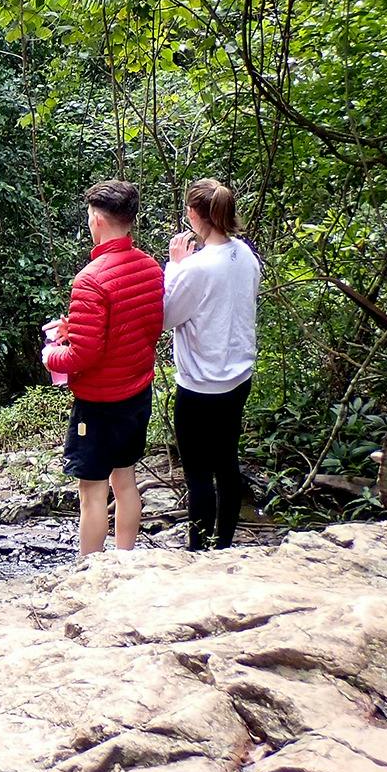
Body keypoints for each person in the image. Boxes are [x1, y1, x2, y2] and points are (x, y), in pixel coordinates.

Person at [44, 180, 165, 556]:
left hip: (98, 404)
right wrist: (76, 327)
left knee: (92, 492)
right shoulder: (149, 267)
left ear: (96, 219)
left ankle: (89, 573)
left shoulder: (90, 280)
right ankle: (125, 562)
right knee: (125, 481)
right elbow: (145, 326)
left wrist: (51, 356)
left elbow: (82, 356)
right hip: (136, 392)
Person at [164, 179, 261, 550]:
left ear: (193, 214)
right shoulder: (246, 255)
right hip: (238, 377)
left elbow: (166, 317)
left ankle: (197, 551)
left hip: (200, 385)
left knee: (198, 473)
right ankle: (223, 545)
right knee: (227, 463)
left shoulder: (197, 267)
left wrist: (174, 268)